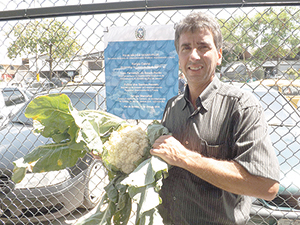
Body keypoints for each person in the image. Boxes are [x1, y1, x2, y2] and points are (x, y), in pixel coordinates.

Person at [150, 11, 280, 225]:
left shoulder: (241, 106)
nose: (194, 56)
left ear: (219, 55)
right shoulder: (172, 106)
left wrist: (185, 158)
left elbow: (266, 187)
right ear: (178, 57)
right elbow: (163, 157)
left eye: (203, 46)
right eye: (186, 48)